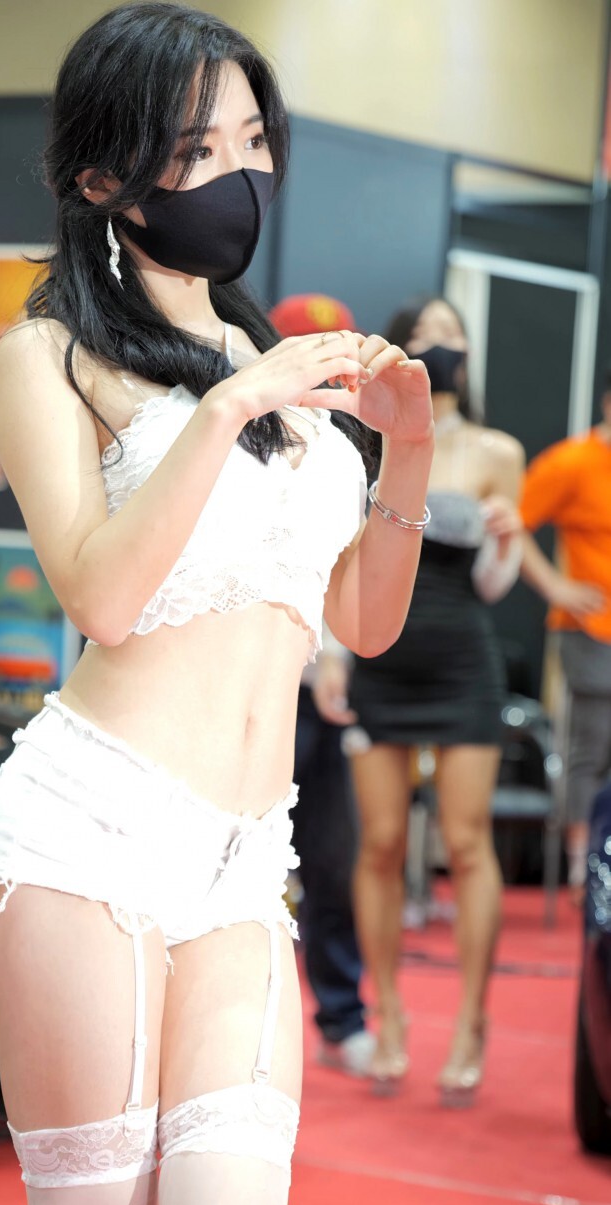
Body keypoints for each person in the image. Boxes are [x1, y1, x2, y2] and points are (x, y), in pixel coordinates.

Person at [0, 8, 433, 1205]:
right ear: (105, 173)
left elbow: (360, 621)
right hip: (84, 836)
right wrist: (231, 403)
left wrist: (403, 450)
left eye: (249, 143)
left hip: (240, 863)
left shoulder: (269, 364)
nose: (236, 175)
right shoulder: (47, 354)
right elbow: (101, 593)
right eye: (196, 149)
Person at [348, 296, 524, 1107]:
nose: (442, 346)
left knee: (466, 840)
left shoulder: (496, 450)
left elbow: (494, 585)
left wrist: (507, 544)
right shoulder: (364, 435)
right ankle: (387, 1016)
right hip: (377, 654)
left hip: (461, 657)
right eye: (426, 335)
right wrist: (330, 659)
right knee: (381, 842)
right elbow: (340, 554)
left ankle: (470, 1025)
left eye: (453, 336)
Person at [268, 292, 376, 1077]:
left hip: (318, 695)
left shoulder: (349, 450)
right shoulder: (236, 429)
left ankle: (341, 1012)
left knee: (332, 860)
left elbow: (350, 570)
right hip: (241, 688)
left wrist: (334, 657)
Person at [518, 373, 611, 899]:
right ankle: (583, 867)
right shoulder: (572, 462)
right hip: (591, 629)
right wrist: (556, 586)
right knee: (591, 745)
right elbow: (512, 520)